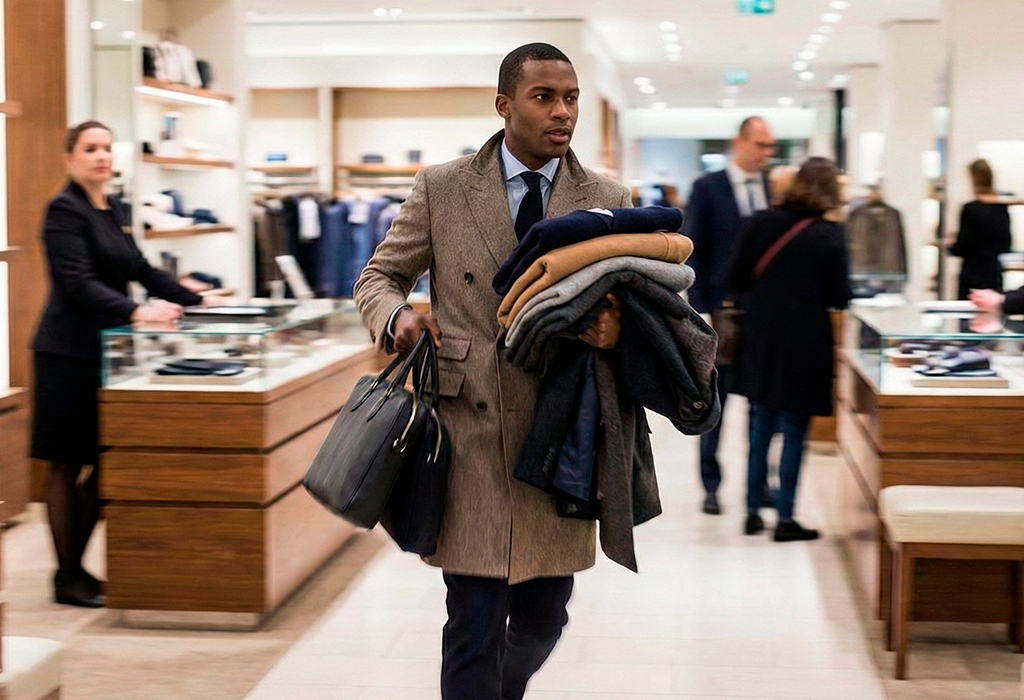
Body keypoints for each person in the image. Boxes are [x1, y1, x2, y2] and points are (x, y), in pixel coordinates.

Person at [353, 43, 631, 700]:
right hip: (468, 433)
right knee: (473, 623)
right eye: (544, 98)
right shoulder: (444, 188)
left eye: (570, 99)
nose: (562, 113)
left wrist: (615, 331)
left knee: (543, 619)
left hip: (560, 440)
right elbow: (379, 275)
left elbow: (641, 311)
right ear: (505, 106)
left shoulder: (607, 198)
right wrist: (399, 320)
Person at [32, 121, 207, 607]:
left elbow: (140, 270)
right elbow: (76, 282)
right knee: (67, 464)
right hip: (65, 354)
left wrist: (195, 301)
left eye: (107, 148)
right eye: (90, 149)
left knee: (109, 462)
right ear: (70, 158)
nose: (101, 157)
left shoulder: (117, 209)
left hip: (109, 354)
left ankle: (75, 569)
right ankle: (68, 575)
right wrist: (137, 311)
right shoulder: (63, 211)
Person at [727, 157, 853, 542]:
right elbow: (840, 297)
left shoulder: (761, 223)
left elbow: (734, 277)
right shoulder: (829, 235)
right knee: (795, 431)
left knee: (760, 425)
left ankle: (751, 511)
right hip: (806, 342)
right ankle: (785, 517)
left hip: (761, 338)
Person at [683, 116, 775, 515]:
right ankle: (711, 485)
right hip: (720, 313)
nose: (766, 153)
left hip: (765, 315)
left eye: (770, 146)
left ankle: (760, 484)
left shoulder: (774, 190)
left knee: (762, 405)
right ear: (739, 142)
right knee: (714, 406)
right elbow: (693, 248)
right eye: (760, 145)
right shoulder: (709, 189)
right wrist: (701, 309)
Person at [949, 159, 1012, 300]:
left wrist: (950, 245)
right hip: (993, 273)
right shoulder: (1001, 208)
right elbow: (1006, 243)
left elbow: (963, 246)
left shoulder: (971, 209)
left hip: (972, 274)